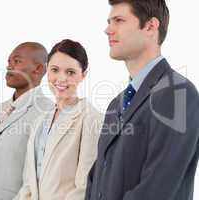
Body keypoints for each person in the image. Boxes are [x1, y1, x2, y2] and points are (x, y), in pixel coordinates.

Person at [85, 1, 199, 200]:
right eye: (109, 21)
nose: (107, 30)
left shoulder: (178, 93)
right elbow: (97, 179)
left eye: (119, 20)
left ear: (150, 26)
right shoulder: (115, 105)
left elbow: (157, 189)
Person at [15, 39, 102, 200]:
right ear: (47, 70)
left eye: (70, 72)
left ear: (83, 75)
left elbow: (84, 187)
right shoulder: (40, 121)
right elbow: (29, 182)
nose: (61, 79)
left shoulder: (91, 118)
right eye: (55, 70)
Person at [0, 42, 54, 200]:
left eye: (17, 61)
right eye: (9, 62)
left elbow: (40, 176)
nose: (9, 66)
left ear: (39, 69)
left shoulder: (48, 111)